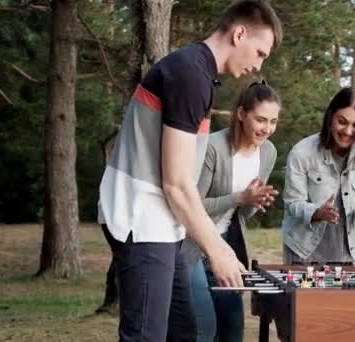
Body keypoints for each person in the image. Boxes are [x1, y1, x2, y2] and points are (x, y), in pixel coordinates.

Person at [97, 1, 283, 340]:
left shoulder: (199, 73)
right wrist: (217, 250)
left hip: (165, 224)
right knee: (146, 335)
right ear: (238, 34)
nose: (258, 66)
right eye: (259, 52)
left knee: (182, 331)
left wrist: (223, 247)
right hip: (142, 220)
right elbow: (178, 184)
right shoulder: (191, 76)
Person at [182, 81, 281, 342]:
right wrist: (241, 197)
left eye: (273, 121)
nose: (267, 129)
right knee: (204, 328)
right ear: (240, 114)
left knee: (232, 326)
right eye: (260, 120)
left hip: (226, 245)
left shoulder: (268, 152)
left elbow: (241, 215)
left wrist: (253, 203)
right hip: (190, 244)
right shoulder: (212, 147)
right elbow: (192, 205)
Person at [281, 87, 355, 265]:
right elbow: (292, 203)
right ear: (330, 118)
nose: (348, 131)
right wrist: (317, 213)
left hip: (351, 254)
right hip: (304, 253)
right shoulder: (302, 152)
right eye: (342, 121)